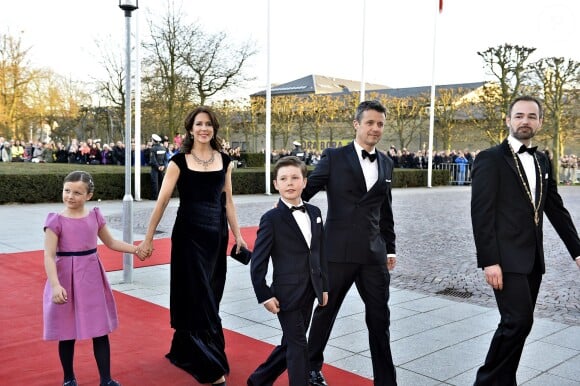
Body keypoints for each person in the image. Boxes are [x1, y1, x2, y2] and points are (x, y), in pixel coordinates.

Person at [471, 95, 580, 386]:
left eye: (531, 116)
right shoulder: (490, 159)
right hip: (504, 259)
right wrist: (489, 260)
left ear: (540, 122)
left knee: (520, 325)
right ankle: (487, 381)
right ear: (508, 120)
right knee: (516, 322)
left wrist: (577, 251)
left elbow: (555, 208)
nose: (525, 121)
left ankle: (504, 381)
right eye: (519, 116)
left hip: (533, 260)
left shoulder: (543, 160)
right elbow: (481, 215)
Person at [138, 106, 247, 386]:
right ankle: (208, 365)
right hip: (188, 237)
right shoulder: (178, 162)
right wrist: (148, 238)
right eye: (198, 124)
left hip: (216, 237)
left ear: (214, 129)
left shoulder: (224, 160)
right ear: (190, 129)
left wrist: (239, 236)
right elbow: (161, 202)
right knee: (198, 297)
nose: (203, 128)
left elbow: (229, 202)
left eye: (208, 124)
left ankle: (184, 349)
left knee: (211, 293)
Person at [302, 100, 397, 386]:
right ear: (356, 124)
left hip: (373, 254)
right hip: (337, 252)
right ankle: (310, 368)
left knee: (380, 320)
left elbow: (386, 210)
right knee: (325, 313)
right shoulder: (334, 156)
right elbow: (306, 191)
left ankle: (385, 379)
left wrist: (390, 248)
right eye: (370, 122)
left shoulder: (386, 162)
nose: (375, 128)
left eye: (380, 124)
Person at [43, 171, 147, 386]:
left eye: (77, 193)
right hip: (64, 279)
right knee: (66, 331)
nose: (70, 196)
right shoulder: (55, 221)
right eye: (67, 191)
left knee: (100, 329)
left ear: (89, 196)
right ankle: (68, 379)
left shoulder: (95, 217)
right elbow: (48, 256)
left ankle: (106, 380)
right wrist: (55, 285)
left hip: (91, 277)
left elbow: (111, 243)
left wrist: (135, 250)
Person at [248, 156, 328, 386]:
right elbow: (258, 262)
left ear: (304, 182)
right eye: (283, 179)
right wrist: (264, 294)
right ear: (276, 184)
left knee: (291, 342)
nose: (289, 183)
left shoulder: (315, 213)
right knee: (299, 346)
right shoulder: (271, 218)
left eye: (295, 178)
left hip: (311, 290)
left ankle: (259, 379)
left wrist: (324, 287)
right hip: (285, 295)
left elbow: (320, 253)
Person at [149, 134, 167, 200]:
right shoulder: (163, 148)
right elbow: (166, 159)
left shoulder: (153, 149)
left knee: (155, 182)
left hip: (155, 168)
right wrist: (163, 166)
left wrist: (158, 167)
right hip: (162, 168)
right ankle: (162, 196)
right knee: (162, 182)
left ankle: (155, 197)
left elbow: (153, 160)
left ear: (154, 141)